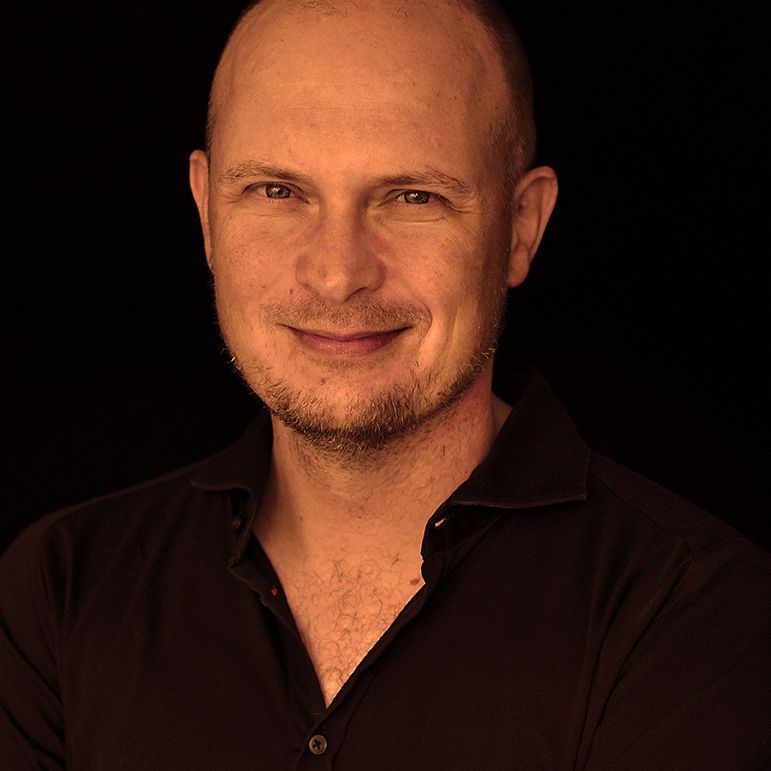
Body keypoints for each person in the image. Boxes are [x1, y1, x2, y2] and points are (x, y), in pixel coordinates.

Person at [1, 0, 769, 768]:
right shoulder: (60, 587)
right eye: (277, 191)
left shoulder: (693, 612)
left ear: (521, 226)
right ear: (206, 214)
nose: (338, 273)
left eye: (412, 197)